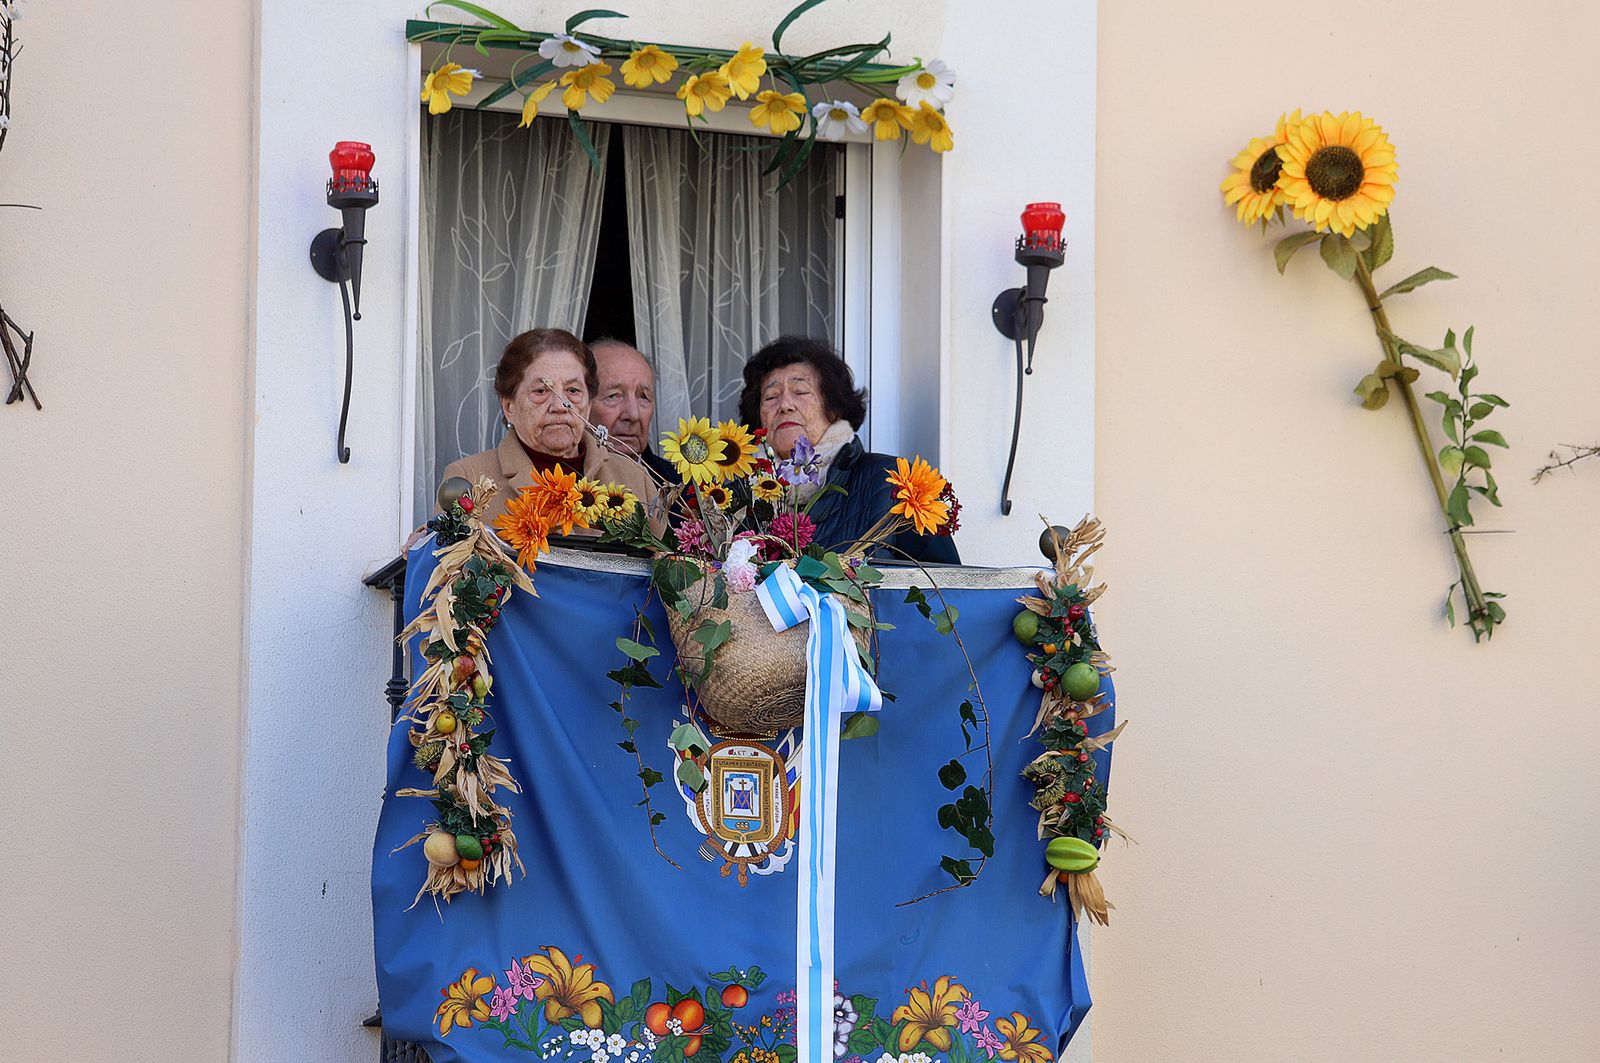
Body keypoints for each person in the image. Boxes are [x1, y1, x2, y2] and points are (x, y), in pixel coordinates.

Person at [737, 336, 959, 565]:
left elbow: (946, 582)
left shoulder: (895, 482)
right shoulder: (738, 501)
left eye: (800, 392)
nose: (785, 405)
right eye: (771, 397)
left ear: (833, 408)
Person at [439, 328, 660, 533]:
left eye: (573, 390)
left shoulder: (634, 477)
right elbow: (448, 555)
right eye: (541, 391)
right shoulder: (468, 479)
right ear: (508, 406)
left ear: (588, 404)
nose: (560, 406)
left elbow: (661, 559)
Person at [588, 337, 680, 484]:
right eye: (613, 396)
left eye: (643, 397)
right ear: (581, 404)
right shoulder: (559, 485)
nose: (633, 414)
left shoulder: (680, 486)